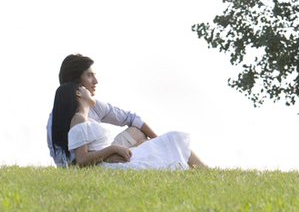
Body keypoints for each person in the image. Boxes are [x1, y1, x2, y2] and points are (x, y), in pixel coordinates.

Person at [47, 53, 206, 168]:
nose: (96, 81)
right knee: (171, 139)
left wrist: (158, 140)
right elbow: (70, 160)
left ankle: (175, 156)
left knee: (141, 135)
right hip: (99, 159)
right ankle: (202, 170)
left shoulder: (94, 107)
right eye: (90, 76)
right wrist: (107, 155)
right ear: (77, 85)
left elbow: (131, 118)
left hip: (103, 154)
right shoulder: (63, 117)